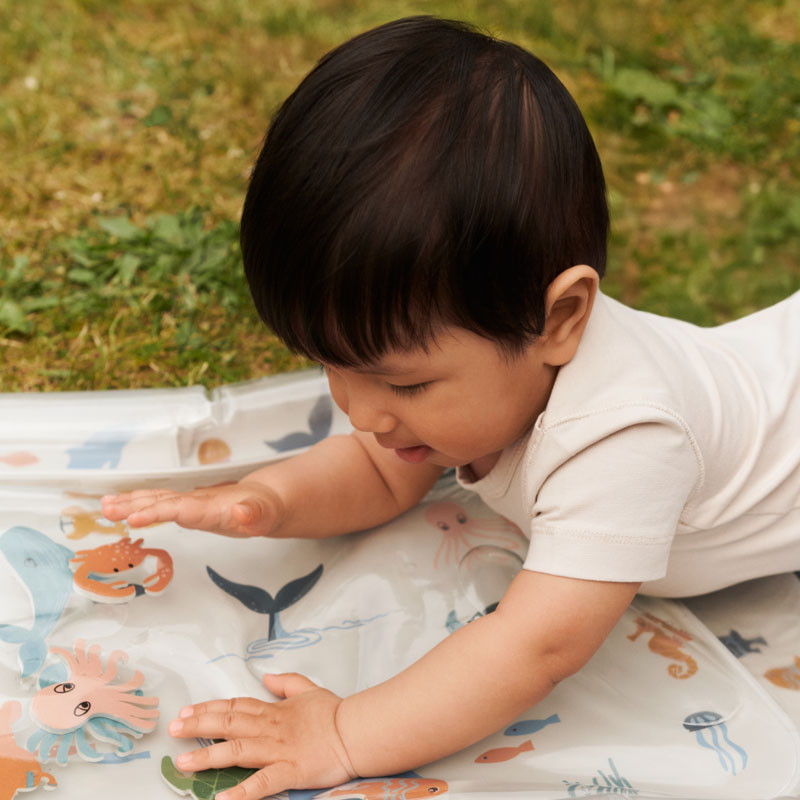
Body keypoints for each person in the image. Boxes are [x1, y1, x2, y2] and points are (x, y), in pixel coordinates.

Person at [101, 15, 800, 800]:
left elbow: (534, 647)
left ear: (561, 320)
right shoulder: (481, 372)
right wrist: (268, 500)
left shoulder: (625, 440)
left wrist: (344, 732)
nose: (363, 413)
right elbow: (381, 467)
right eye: (331, 366)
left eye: (403, 385)